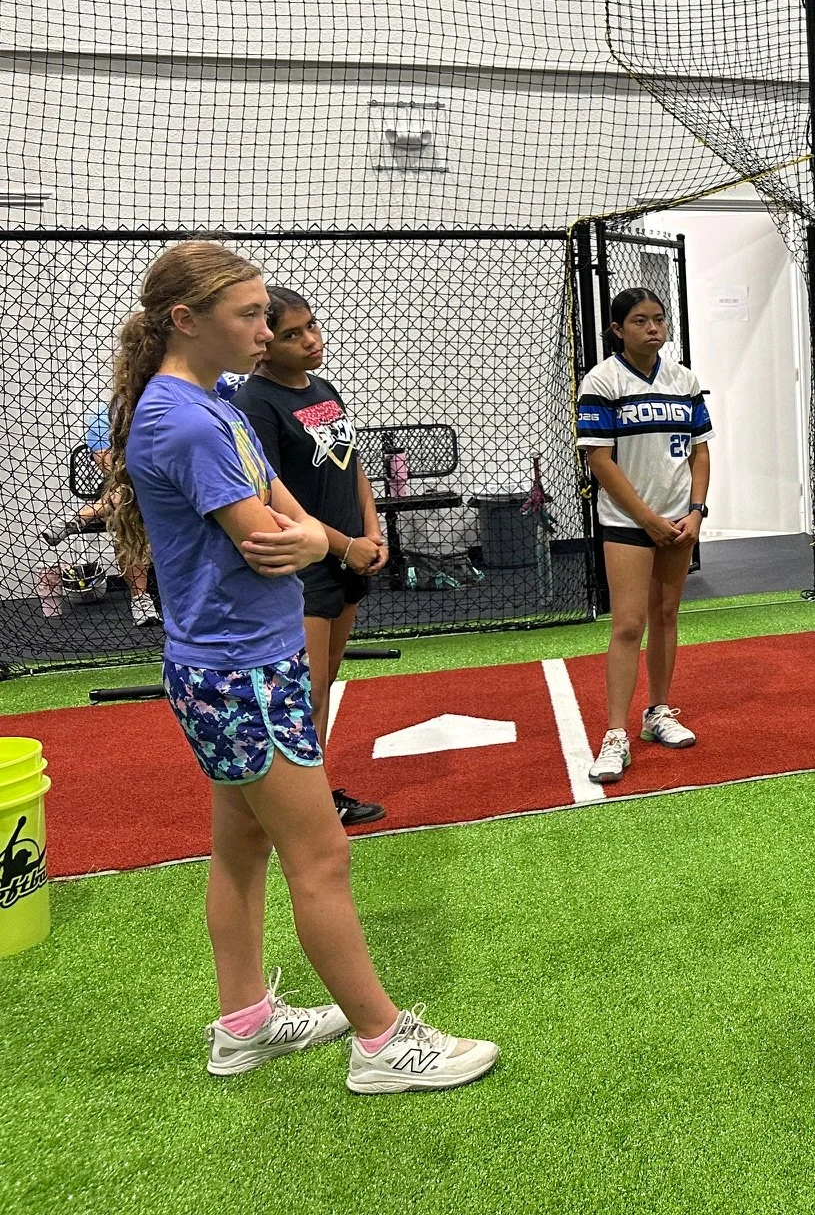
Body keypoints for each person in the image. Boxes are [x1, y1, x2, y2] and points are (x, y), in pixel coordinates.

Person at [109, 241, 496, 1092]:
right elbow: (267, 545)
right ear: (186, 321)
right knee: (320, 858)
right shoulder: (179, 417)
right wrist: (329, 540)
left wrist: (333, 537)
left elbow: (280, 504)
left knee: (241, 847)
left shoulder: (213, 403)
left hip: (242, 662)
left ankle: (245, 1024)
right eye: (248, 315)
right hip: (238, 671)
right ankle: (382, 1042)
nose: (267, 328)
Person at [232, 287, 389, 828]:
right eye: (292, 334)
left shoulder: (323, 388)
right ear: (265, 342)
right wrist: (343, 547)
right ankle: (307, 805)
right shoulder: (255, 403)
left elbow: (353, 466)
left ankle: (314, 794)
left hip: (350, 555)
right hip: (309, 564)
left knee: (326, 682)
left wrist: (371, 531)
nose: (310, 341)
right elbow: (270, 496)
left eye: (312, 327)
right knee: (307, 690)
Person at [576, 287, 712, 786]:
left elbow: (700, 451)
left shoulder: (685, 380)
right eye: (639, 321)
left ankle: (658, 712)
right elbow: (600, 460)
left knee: (667, 615)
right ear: (618, 330)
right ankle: (615, 734)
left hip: (680, 523)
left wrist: (695, 512)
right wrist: (648, 518)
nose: (652, 328)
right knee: (628, 625)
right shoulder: (602, 381)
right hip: (628, 524)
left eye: (659, 319)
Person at [41, 402, 160, 625]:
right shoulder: (104, 415)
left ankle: (76, 520)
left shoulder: (161, 406)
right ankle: (141, 600)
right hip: (121, 485)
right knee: (127, 506)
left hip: (160, 484)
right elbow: (109, 465)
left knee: (127, 497)